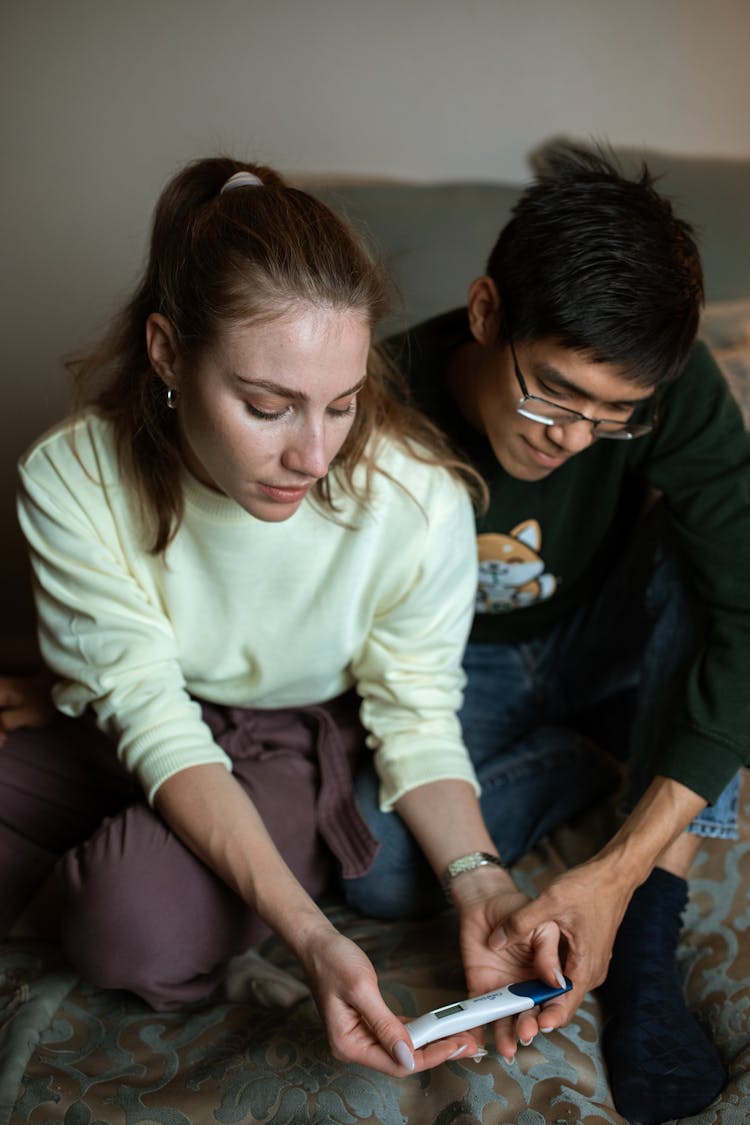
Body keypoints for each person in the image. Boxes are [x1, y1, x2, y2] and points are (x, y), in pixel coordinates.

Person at [1, 156, 565, 1077]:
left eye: (340, 405)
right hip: (131, 722)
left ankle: (156, 889)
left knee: (125, 925)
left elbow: (417, 717)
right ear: (166, 352)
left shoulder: (417, 502)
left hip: (294, 742)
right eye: (268, 406)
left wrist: (459, 888)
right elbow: (142, 708)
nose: (311, 454)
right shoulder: (72, 476)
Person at [344, 145, 750, 1122]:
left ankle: (647, 936)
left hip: (605, 625)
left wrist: (614, 875)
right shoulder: (373, 400)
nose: (572, 435)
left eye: (614, 417)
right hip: (453, 670)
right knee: (380, 870)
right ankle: (605, 750)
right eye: (553, 393)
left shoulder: (670, 388)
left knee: (718, 574)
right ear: (487, 312)